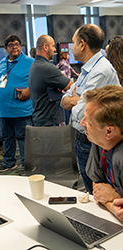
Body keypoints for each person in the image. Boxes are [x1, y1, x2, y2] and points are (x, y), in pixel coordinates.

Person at [61, 24, 120, 194]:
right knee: (93, 191)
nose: (71, 48)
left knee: (96, 193)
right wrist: (75, 99)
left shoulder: (99, 72)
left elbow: (80, 114)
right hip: (86, 139)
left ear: (82, 44)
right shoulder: (89, 69)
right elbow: (65, 100)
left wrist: (73, 100)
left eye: (73, 43)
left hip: (94, 141)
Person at [81, 85, 123, 219]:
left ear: (109, 131)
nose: (82, 123)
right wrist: (112, 203)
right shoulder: (100, 142)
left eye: (88, 121)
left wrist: (113, 196)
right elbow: (98, 188)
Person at [0, 34, 34, 173]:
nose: (14, 47)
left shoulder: (30, 62)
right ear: (6, 48)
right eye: (11, 45)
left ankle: (26, 165)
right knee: (7, 138)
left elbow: (38, 82)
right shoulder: (1, 63)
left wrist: (29, 90)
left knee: (24, 139)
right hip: (4, 110)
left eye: (17, 44)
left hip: (21, 110)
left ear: (21, 46)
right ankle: (9, 162)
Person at [28, 35, 73, 127]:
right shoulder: (47, 68)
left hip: (41, 119)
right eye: (52, 46)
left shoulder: (35, 65)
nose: (55, 49)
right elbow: (70, 85)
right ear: (45, 47)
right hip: (49, 122)